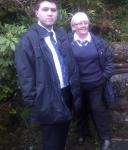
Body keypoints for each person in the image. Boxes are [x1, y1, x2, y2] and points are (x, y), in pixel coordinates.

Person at [15, 1, 80, 150]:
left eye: (53, 10)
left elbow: (70, 62)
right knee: (52, 141)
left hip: (67, 92)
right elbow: (25, 75)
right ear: (36, 12)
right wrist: (34, 101)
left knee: (63, 134)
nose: (50, 13)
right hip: (47, 97)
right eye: (45, 9)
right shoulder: (27, 40)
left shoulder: (61, 33)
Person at [69, 12, 113, 150]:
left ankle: (105, 138)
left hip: (96, 83)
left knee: (97, 109)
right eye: (79, 23)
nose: (83, 25)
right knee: (79, 109)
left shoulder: (99, 42)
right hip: (77, 84)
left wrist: (104, 77)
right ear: (73, 27)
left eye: (85, 22)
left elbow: (109, 62)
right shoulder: (67, 42)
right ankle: (83, 134)